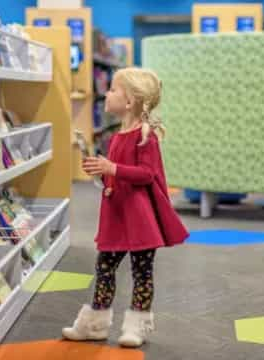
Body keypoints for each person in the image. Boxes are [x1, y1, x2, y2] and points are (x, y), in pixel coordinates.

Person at [62, 67, 188, 348]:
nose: (106, 93)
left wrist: (113, 168)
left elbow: (146, 174)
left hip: (140, 216)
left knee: (141, 270)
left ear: (129, 101)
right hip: (117, 214)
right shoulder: (118, 135)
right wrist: (102, 169)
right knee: (105, 266)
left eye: (113, 89)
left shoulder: (146, 136)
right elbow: (117, 174)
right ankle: (95, 323)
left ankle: (137, 326)